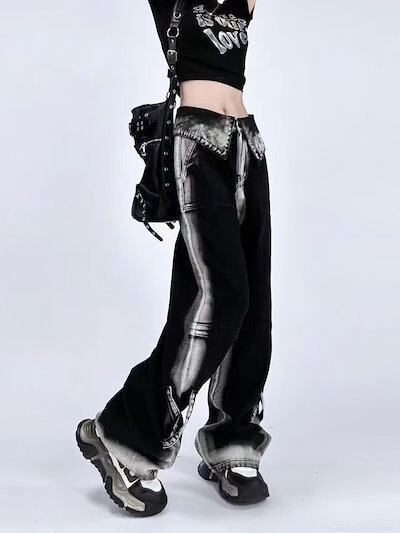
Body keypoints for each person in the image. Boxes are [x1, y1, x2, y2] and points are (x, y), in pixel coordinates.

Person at [76, 0, 272, 516]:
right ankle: (125, 435)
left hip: (248, 143)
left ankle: (232, 436)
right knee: (221, 298)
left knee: (254, 302)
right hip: (198, 144)